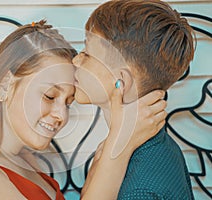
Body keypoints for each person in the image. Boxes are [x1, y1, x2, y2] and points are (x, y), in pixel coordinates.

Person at [0, 20, 166, 200]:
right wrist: (119, 144)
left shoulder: (32, 168)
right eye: (50, 96)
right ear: (5, 84)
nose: (61, 115)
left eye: (68, 102)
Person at [73, 0, 195, 199]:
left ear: (120, 82)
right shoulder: (154, 146)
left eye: (86, 54)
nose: (75, 60)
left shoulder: (139, 190)